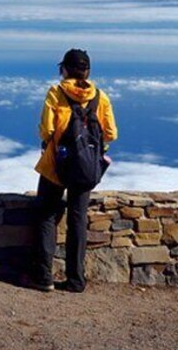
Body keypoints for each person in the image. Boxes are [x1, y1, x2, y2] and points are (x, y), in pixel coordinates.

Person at [27, 49, 118, 293]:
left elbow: (46, 130)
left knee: (47, 216)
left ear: (64, 69)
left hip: (55, 166)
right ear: (87, 72)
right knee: (78, 221)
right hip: (86, 168)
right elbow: (110, 134)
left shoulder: (56, 93)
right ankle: (76, 280)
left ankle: (44, 277)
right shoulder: (100, 97)